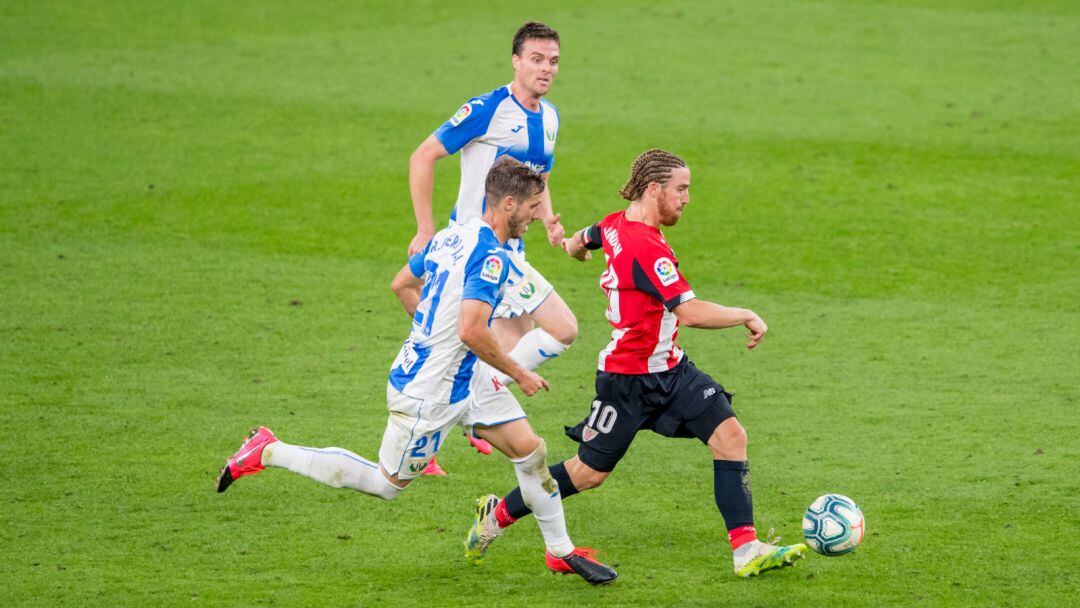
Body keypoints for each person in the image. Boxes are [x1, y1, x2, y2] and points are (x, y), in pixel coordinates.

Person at [215, 158, 616, 584]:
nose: (537, 214)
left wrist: (431, 335)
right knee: (385, 483)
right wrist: (519, 372)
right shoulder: (490, 257)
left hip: (463, 376)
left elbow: (402, 284)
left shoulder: (450, 236)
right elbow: (470, 331)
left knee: (529, 450)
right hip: (430, 393)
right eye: (533, 206)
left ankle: (559, 550)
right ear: (509, 204)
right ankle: (267, 449)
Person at [463, 149, 808, 578]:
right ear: (653, 189)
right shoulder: (647, 248)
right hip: (626, 380)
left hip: (672, 371)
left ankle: (746, 550)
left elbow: (588, 236)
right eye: (680, 190)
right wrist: (746, 314)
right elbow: (690, 312)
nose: (686, 199)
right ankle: (496, 515)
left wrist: (573, 248)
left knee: (731, 435)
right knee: (587, 474)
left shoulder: (616, 224)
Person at [408, 21, 577, 475]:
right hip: (474, 249)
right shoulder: (486, 109)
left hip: (511, 250)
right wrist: (425, 230)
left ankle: (454, 418)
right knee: (542, 335)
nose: (546, 69)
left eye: (553, 61)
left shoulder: (551, 116)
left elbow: (537, 176)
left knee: (503, 344)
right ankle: (461, 416)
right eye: (537, 60)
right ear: (517, 61)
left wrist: (547, 221)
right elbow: (422, 156)